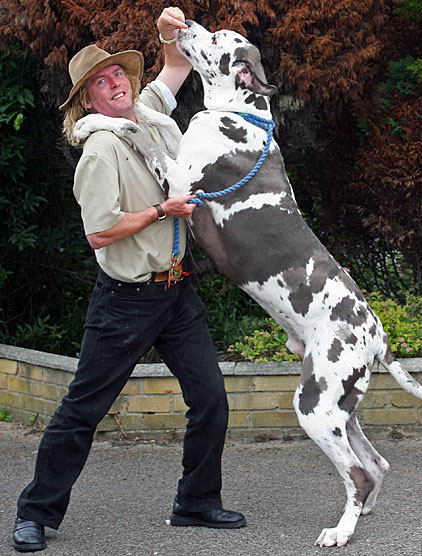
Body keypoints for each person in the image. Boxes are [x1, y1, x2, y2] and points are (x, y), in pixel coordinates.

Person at [12, 7, 246, 553]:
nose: (115, 83)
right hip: (126, 300)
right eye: (101, 81)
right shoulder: (101, 150)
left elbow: (176, 68)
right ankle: (35, 514)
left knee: (211, 399)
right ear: (87, 101)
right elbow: (100, 233)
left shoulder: (148, 118)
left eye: (118, 74)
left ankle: (196, 501)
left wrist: (171, 33)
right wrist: (164, 211)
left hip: (176, 290)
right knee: (82, 411)